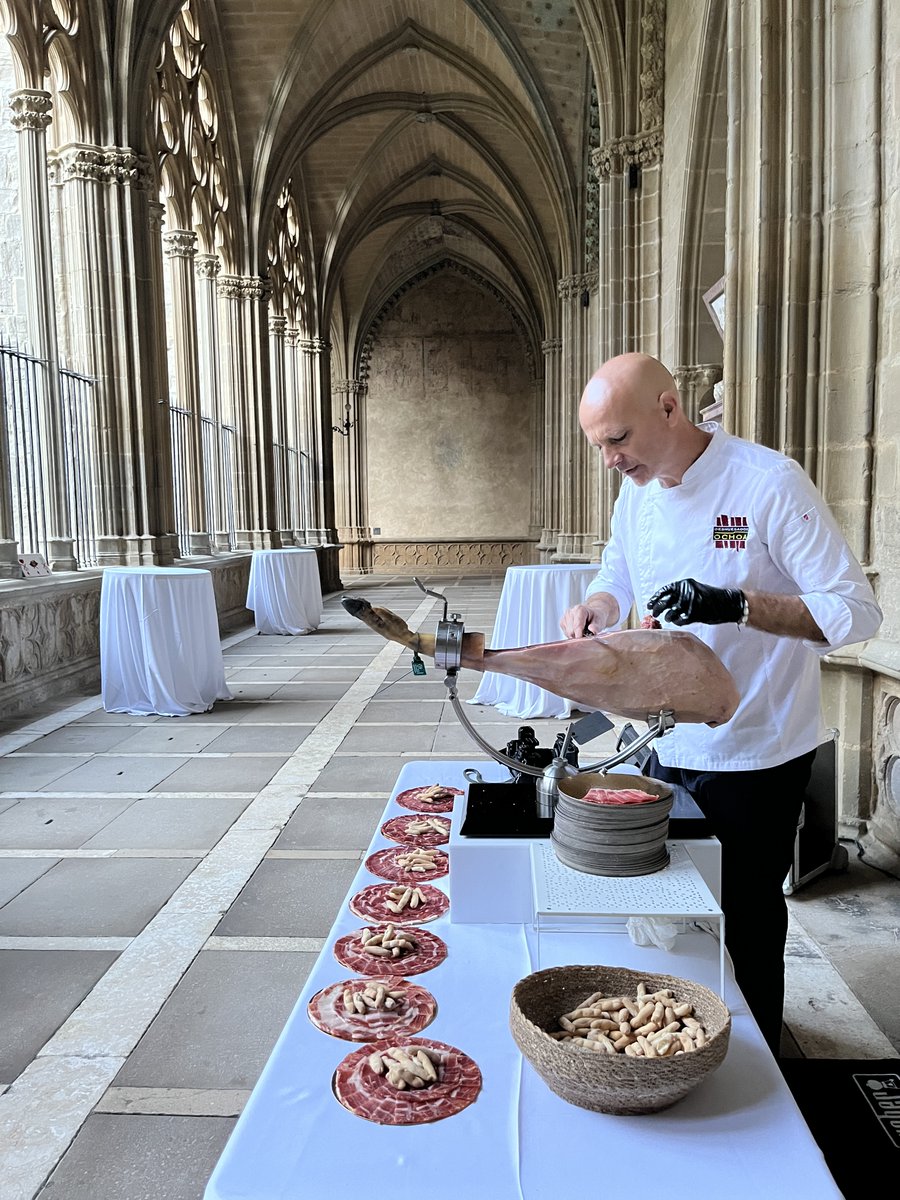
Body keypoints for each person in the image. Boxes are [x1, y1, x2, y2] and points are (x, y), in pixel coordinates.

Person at [560, 353, 882, 1053]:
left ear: (668, 408)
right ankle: (680, 1042)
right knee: (667, 904)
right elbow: (618, 567)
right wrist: (599, 605)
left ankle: (762, 1053)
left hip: (754, 749)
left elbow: (855, 610)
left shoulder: (766, 482)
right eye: (599, 447)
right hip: (661, 739)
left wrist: (738, 604)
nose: (610, 461)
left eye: (618, 439)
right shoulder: (638, 491)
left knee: (745, 912)